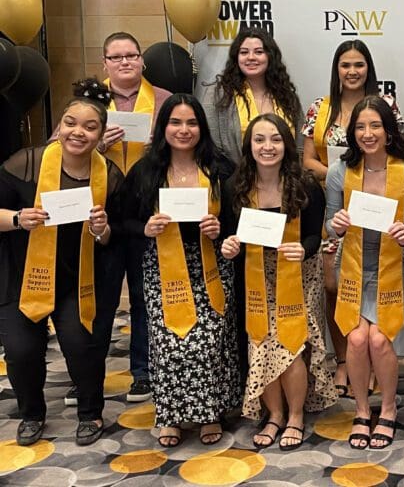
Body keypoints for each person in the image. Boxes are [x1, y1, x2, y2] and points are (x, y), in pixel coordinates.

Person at [0, 80, 123, 446]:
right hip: (21, 278)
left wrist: (102, 230)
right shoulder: (26, 163)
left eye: (89, 127)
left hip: (75, 279)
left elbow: (111, 237)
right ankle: (32, 413)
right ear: (60, 126)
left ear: (101, 134)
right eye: (71, 123)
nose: (78, 132)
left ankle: (90, 413)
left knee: (82, 346)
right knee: (21, 351)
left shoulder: (110, 176)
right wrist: (19, 219)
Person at [118, 93, 241, 447]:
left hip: (212, 266)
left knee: (209, 343)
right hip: (162, 267)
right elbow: (123, 219)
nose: (183, 130)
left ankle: (210, 412)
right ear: (163, 126)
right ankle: (170, 413)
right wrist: (144, 228)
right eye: (175, 122)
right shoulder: (145, 171)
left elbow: (240, 220)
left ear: (201, 128)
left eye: (191, 123)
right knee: (168, 343)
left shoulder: (221, 170)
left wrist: (222, 229)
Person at [60, 33, 172, 404]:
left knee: (144, 296)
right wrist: (95, 143)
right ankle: (87, 376)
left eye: (132, 55)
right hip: (99, 210)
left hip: (144, 209)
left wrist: (164, 143)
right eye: (116, 56)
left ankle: (142, 371)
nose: (125, 62)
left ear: (142, 61)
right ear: (104, 62)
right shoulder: (89, 101)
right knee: (99, 298)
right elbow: (56, 146)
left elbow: (188, 140)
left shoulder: (163, 100)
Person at [221, 113, 336, 450]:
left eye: (274, 139)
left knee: (291, 344)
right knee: (262, 344)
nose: (267, 146)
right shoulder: (235, 186)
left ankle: (296, 416)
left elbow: (317, 233)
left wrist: (304, 248)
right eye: (259, 139)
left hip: (298, 274)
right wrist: (229, 246)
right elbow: (231, 235)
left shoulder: (305, 184)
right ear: (249, 145)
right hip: (257, 277)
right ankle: (274, 415)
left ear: (286, 144)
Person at [324, 96, 404, 450]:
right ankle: (361, 410)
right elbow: (330, 224)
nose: (368, 134)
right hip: (352, 264)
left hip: (396, 264)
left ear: (388, 130)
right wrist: (335, 225)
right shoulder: (339, 172)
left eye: (375, 126)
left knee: (379, 340)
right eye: (360, 127)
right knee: (355, 340)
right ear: (351, 133)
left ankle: (388, 408)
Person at [302, 40, 404, 398]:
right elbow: (307, 159)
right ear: (336, 69)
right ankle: (346, 360)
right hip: (338, 208)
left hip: (377, 211)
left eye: (359, 64)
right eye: (345, 64)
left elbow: (395, 156)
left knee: (374, 283)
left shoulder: (385, 105)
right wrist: (344, 172)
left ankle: (375, 362)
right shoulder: (320, 108)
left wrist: (359, 171)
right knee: (335, 287)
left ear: (368, 69)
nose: (352, 71)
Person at [199, 27, 303, 165]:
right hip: (234, 180)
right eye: (244, 52)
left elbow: (300, 146)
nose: (251, 57)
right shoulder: (217, 95)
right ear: (236, 57)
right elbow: (212, 147)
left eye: (259, 52)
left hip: (284, 180)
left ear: (270, 56)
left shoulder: (286, 95)